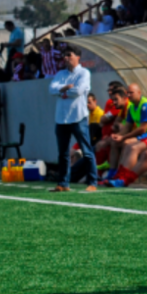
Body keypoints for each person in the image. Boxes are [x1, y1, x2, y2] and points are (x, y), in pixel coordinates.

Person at [48, 48, 97, 192]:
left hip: (78, 117)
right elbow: (51, 89)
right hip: (61, 119)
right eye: (64, 55)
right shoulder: (60, 74)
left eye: (69, 55)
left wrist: (61, 91)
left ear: (78, 57)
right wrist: (65, 88)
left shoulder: (84, 73)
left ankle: (92, 183)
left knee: (87, 151)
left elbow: (78, 91)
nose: (66, 57)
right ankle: (63, 184)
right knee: (63, 153)